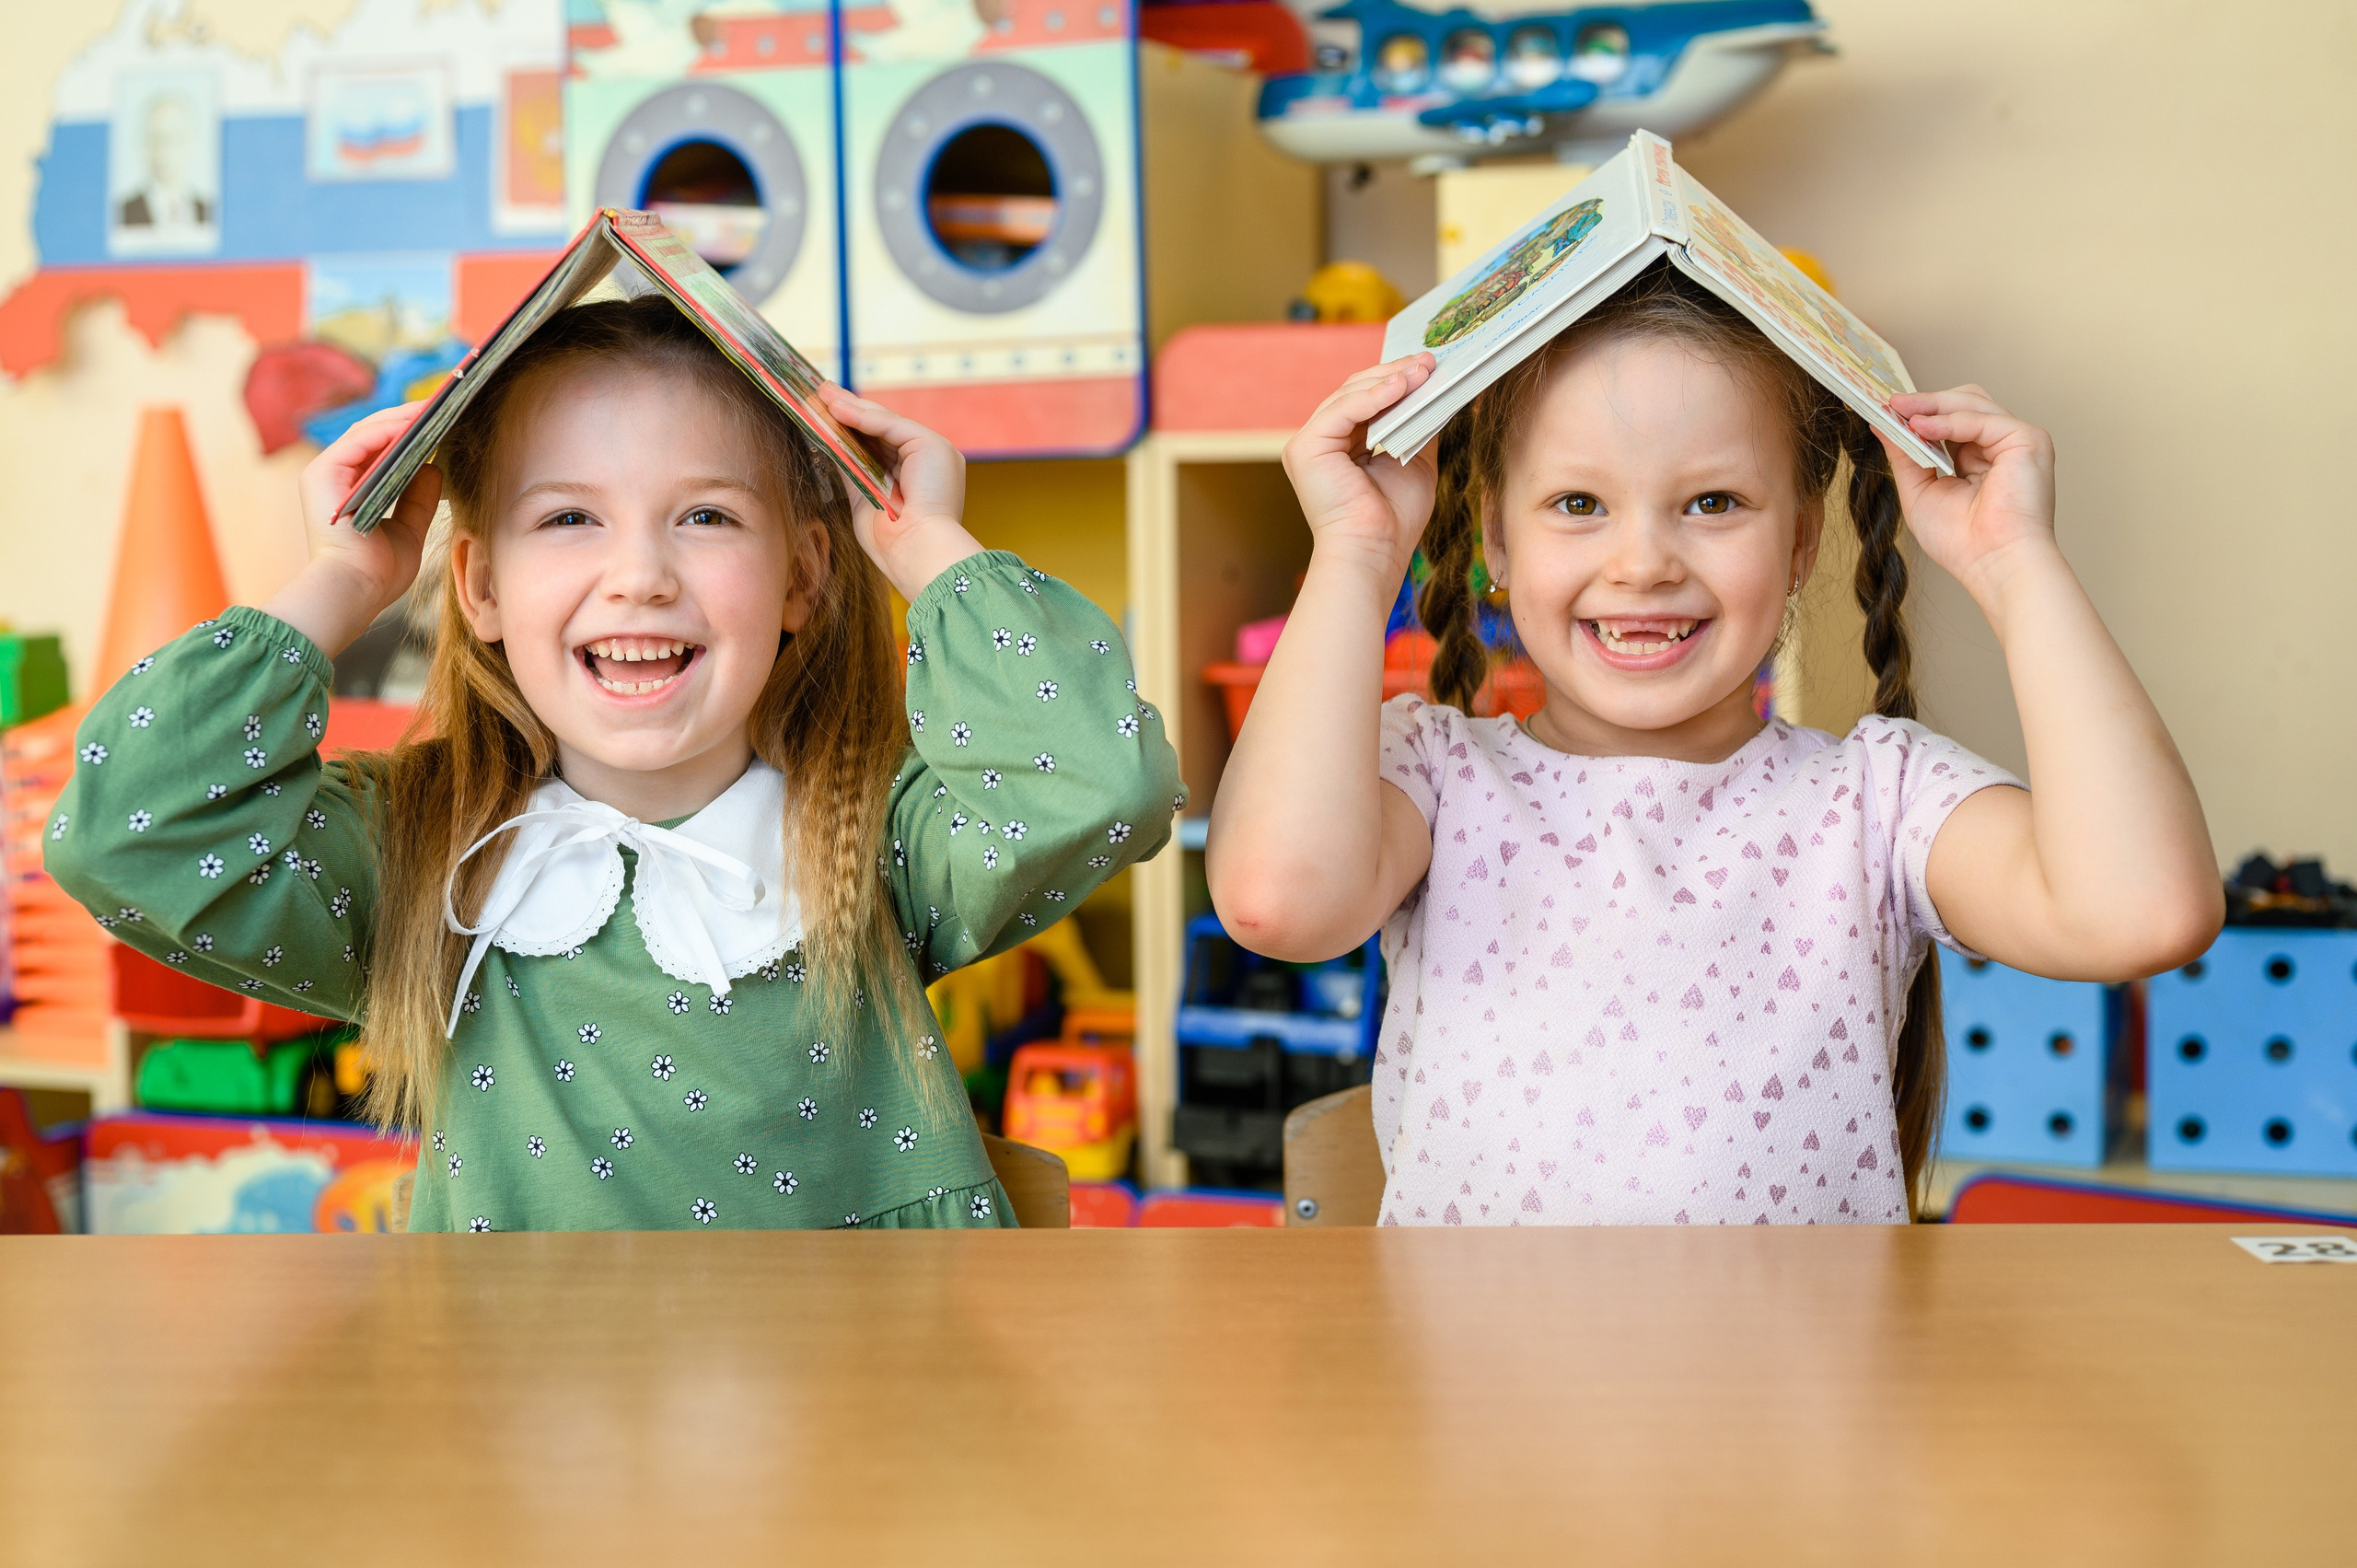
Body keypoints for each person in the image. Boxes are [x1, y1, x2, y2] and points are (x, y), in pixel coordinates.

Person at [48, 297, 1181, 1232]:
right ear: (481, 589)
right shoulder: (422, 849)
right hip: (526, 1454)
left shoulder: (868, 834)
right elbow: (124, 830)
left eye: (703, 515)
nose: (639, 574)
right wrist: (344, 574)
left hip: (856, 1444)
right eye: (569, 520)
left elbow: (1097, 782)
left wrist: (927, 544)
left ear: (800, 579)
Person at [1206, 262, 2220, 1224]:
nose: (1643, 561)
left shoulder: (1876, 798)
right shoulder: (1435, 776)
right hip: (1478, 1401)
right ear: (1497, 539)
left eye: (1713, 503)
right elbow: (1274, 898)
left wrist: (2012, 561)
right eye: (1577, 503)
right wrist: (1354, 552)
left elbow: (2139, 911)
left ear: (1801, 543)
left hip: (1794, 1404)